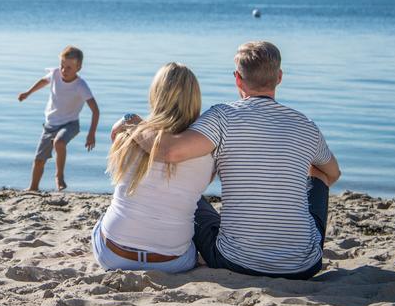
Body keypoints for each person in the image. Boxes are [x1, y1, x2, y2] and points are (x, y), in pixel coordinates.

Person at [138, 41, 341, 280]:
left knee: (194, 200)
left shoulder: (222, 117)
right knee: (317, 172)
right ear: (279, 77)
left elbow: (171, 152)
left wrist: (133, 124)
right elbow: (333, 174)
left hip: (235, 261)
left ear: (237, 78)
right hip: (303, 265)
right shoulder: (306, 125)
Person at [91, 63, 210, 273]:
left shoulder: (126, 137)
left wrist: (131, 120)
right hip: (171, 263)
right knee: (194, 203)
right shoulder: (206, 150)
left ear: (155, 95)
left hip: (113, 256)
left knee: (106, 217)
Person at [18, 46, 100, 191]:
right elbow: (43, 81)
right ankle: (33, 188)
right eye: (62, 66)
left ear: (78, 68)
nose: (63, 70)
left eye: (69, 67)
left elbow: (95, 110)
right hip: (50, 124)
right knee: (38, 161)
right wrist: (28, 92)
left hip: (70, 124)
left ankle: (59, 176)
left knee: (59, 142)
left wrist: (91, 133)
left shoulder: (81, 86)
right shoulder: (55, 74)